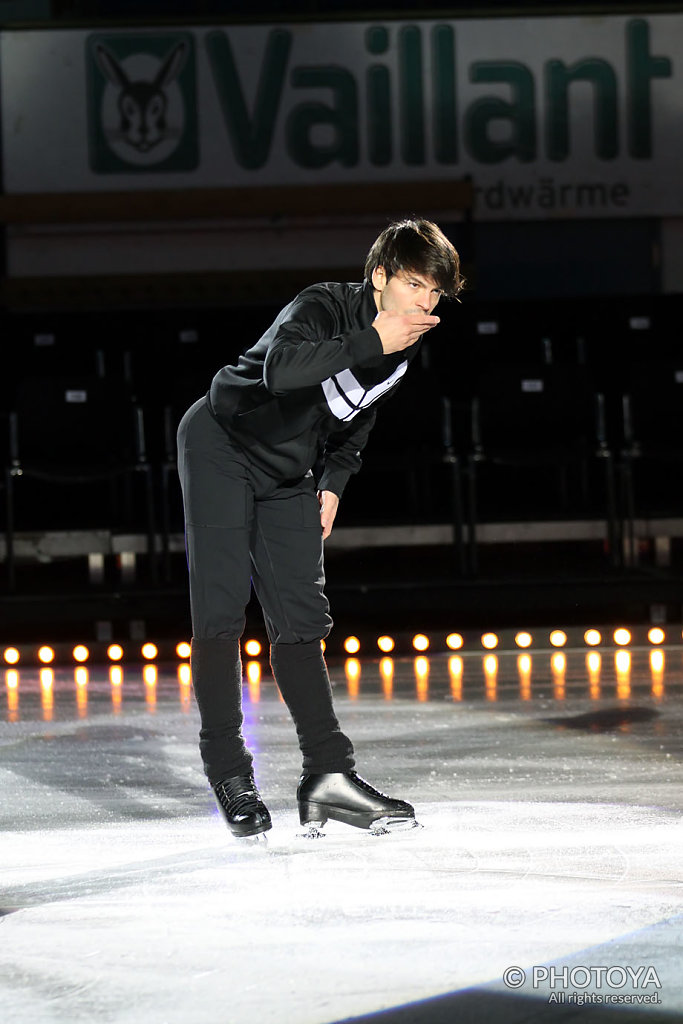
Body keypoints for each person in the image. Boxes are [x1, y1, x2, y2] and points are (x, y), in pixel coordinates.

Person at [177, 218, 463, 839]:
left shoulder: (402, 343)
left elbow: (357, 413)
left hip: (290, 472)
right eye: (415, 284)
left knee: (303, 620)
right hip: (222, 443)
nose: (425, 303)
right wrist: (373, 340)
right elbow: (281, 371)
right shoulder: (322, 305)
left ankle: (328, 776)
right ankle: (229, 772)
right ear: (379, 277)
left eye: (436, 292)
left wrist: (333, 481)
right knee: (222, 610)